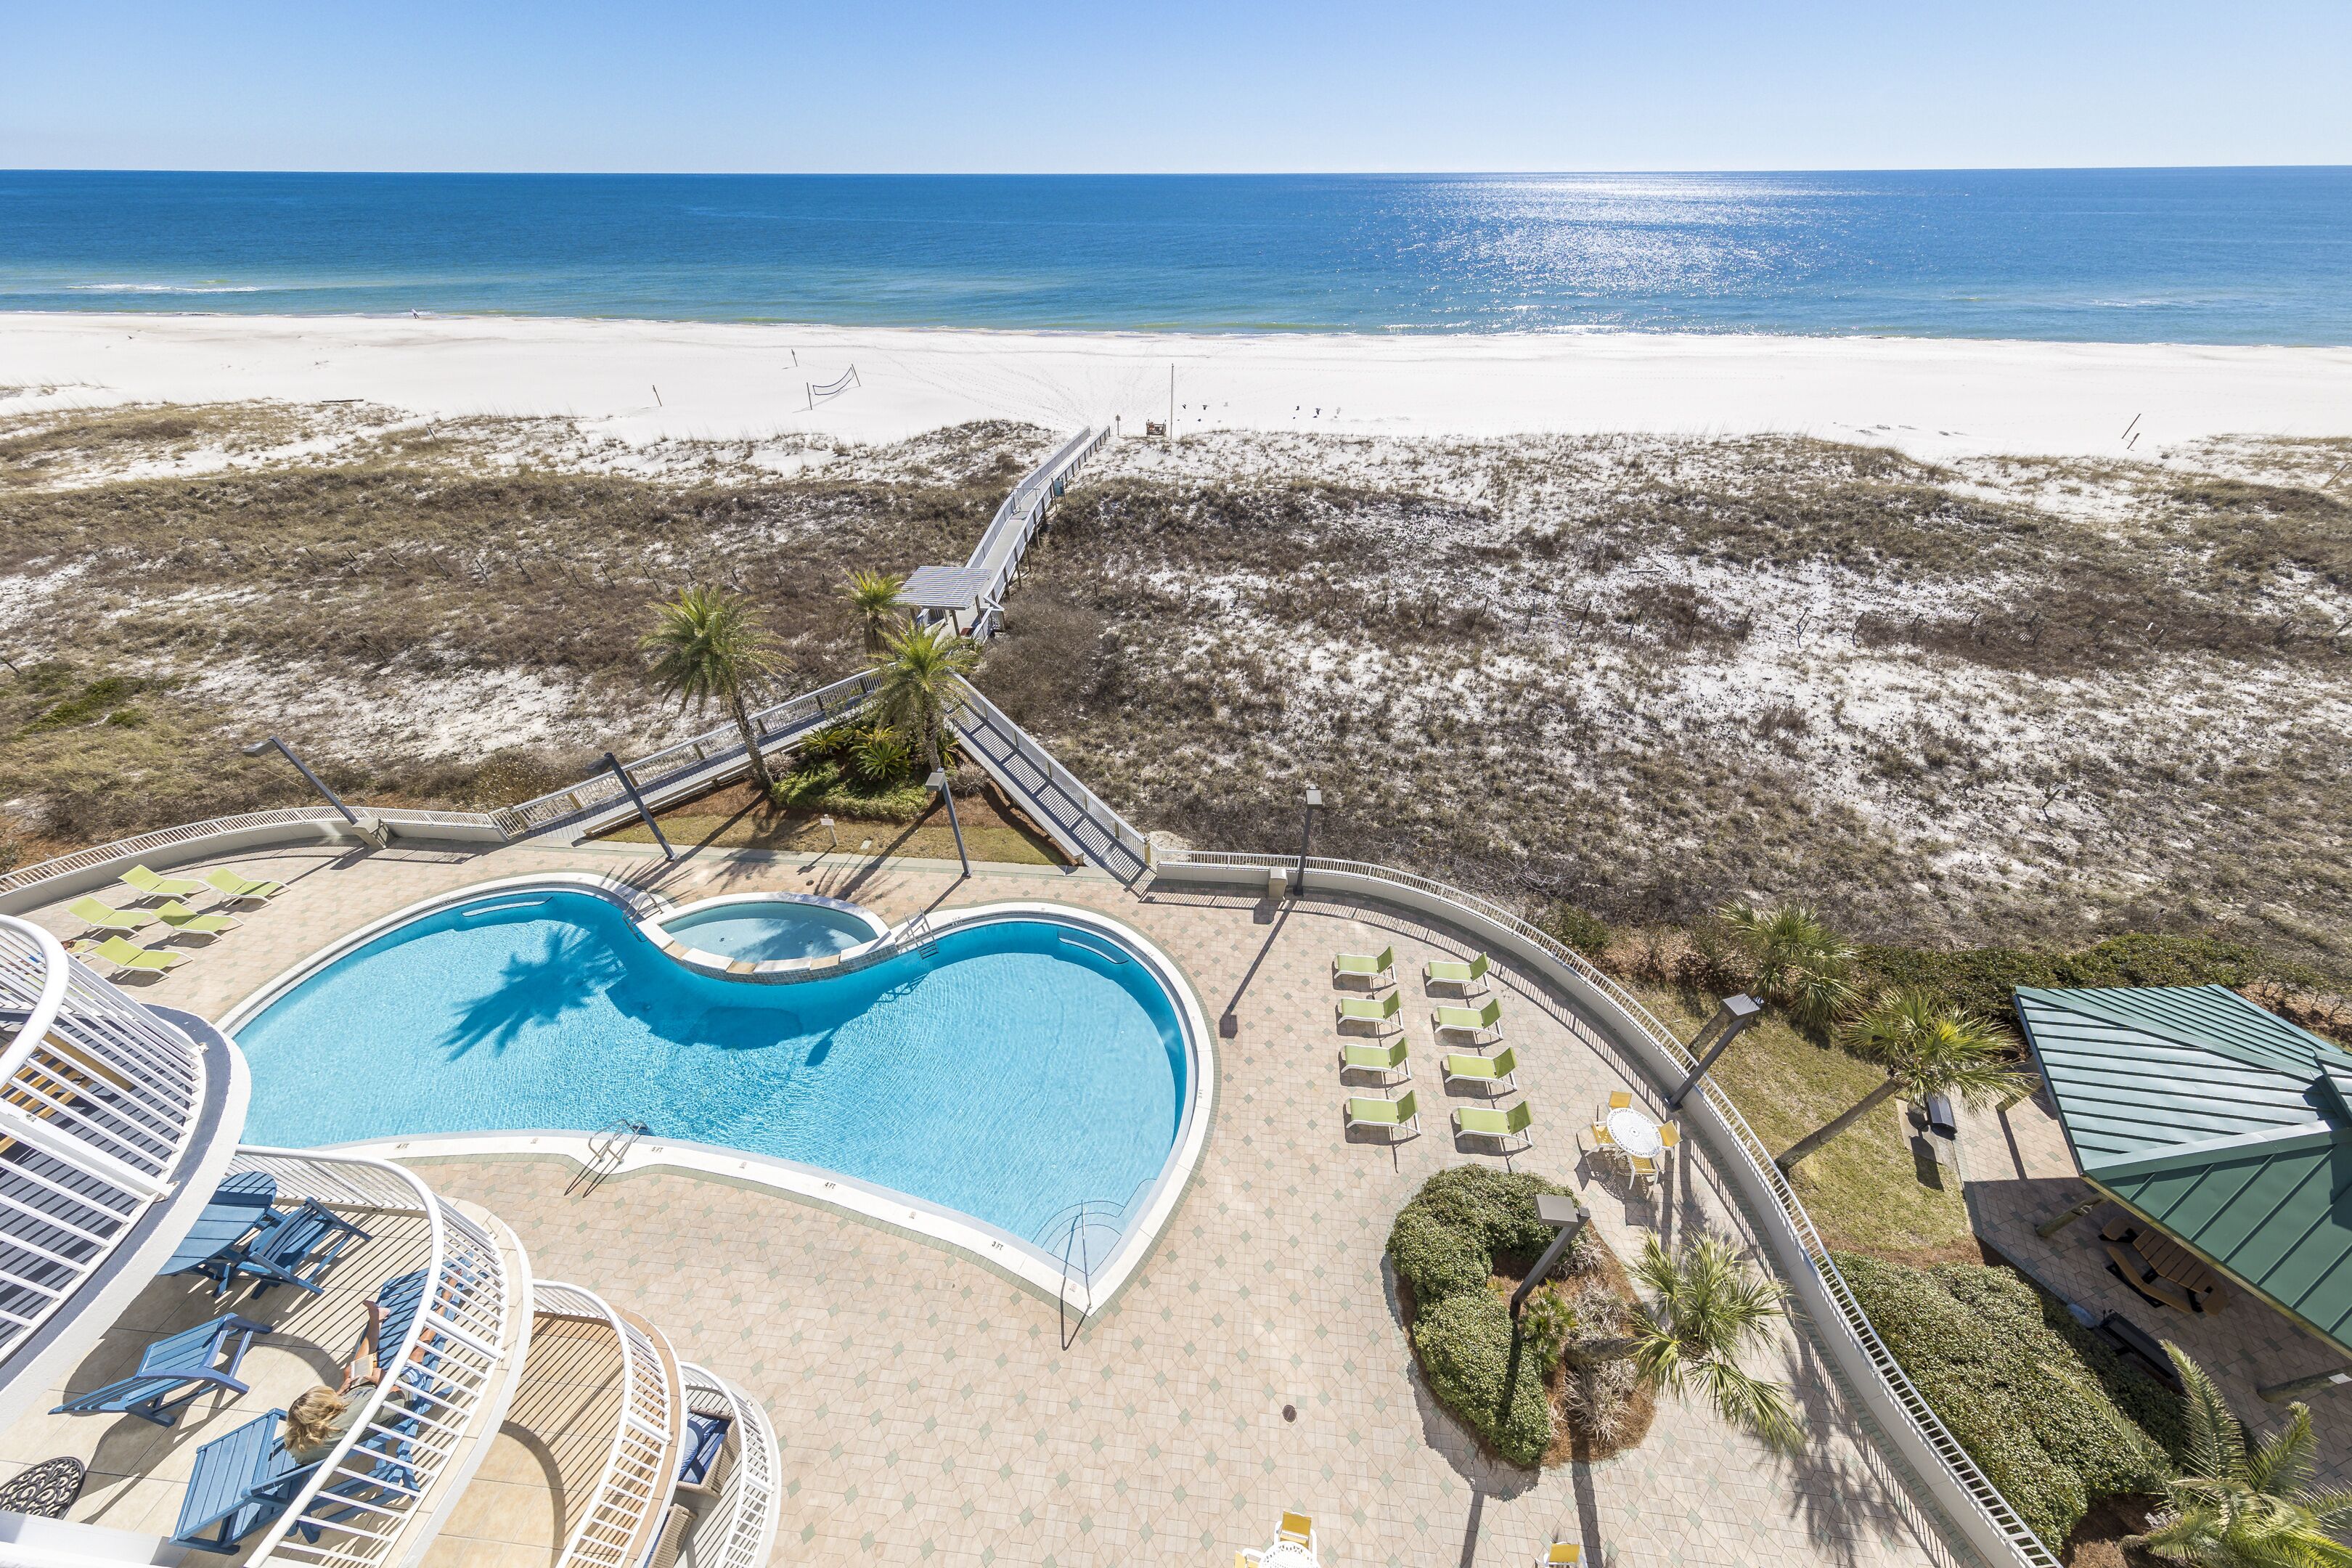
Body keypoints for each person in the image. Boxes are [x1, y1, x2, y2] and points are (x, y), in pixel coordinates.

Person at [285, 1300, 391, 1464]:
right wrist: (380, 1380)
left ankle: (376, 1321)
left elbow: (300, 1457)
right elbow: (399, 1398)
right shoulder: (350, 1416)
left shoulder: (295, 1443)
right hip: (386, 1403)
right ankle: (443, 1303)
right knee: (412, 1355)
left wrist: (339, 1394)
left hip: (349, 1423)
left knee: (351, 1372)